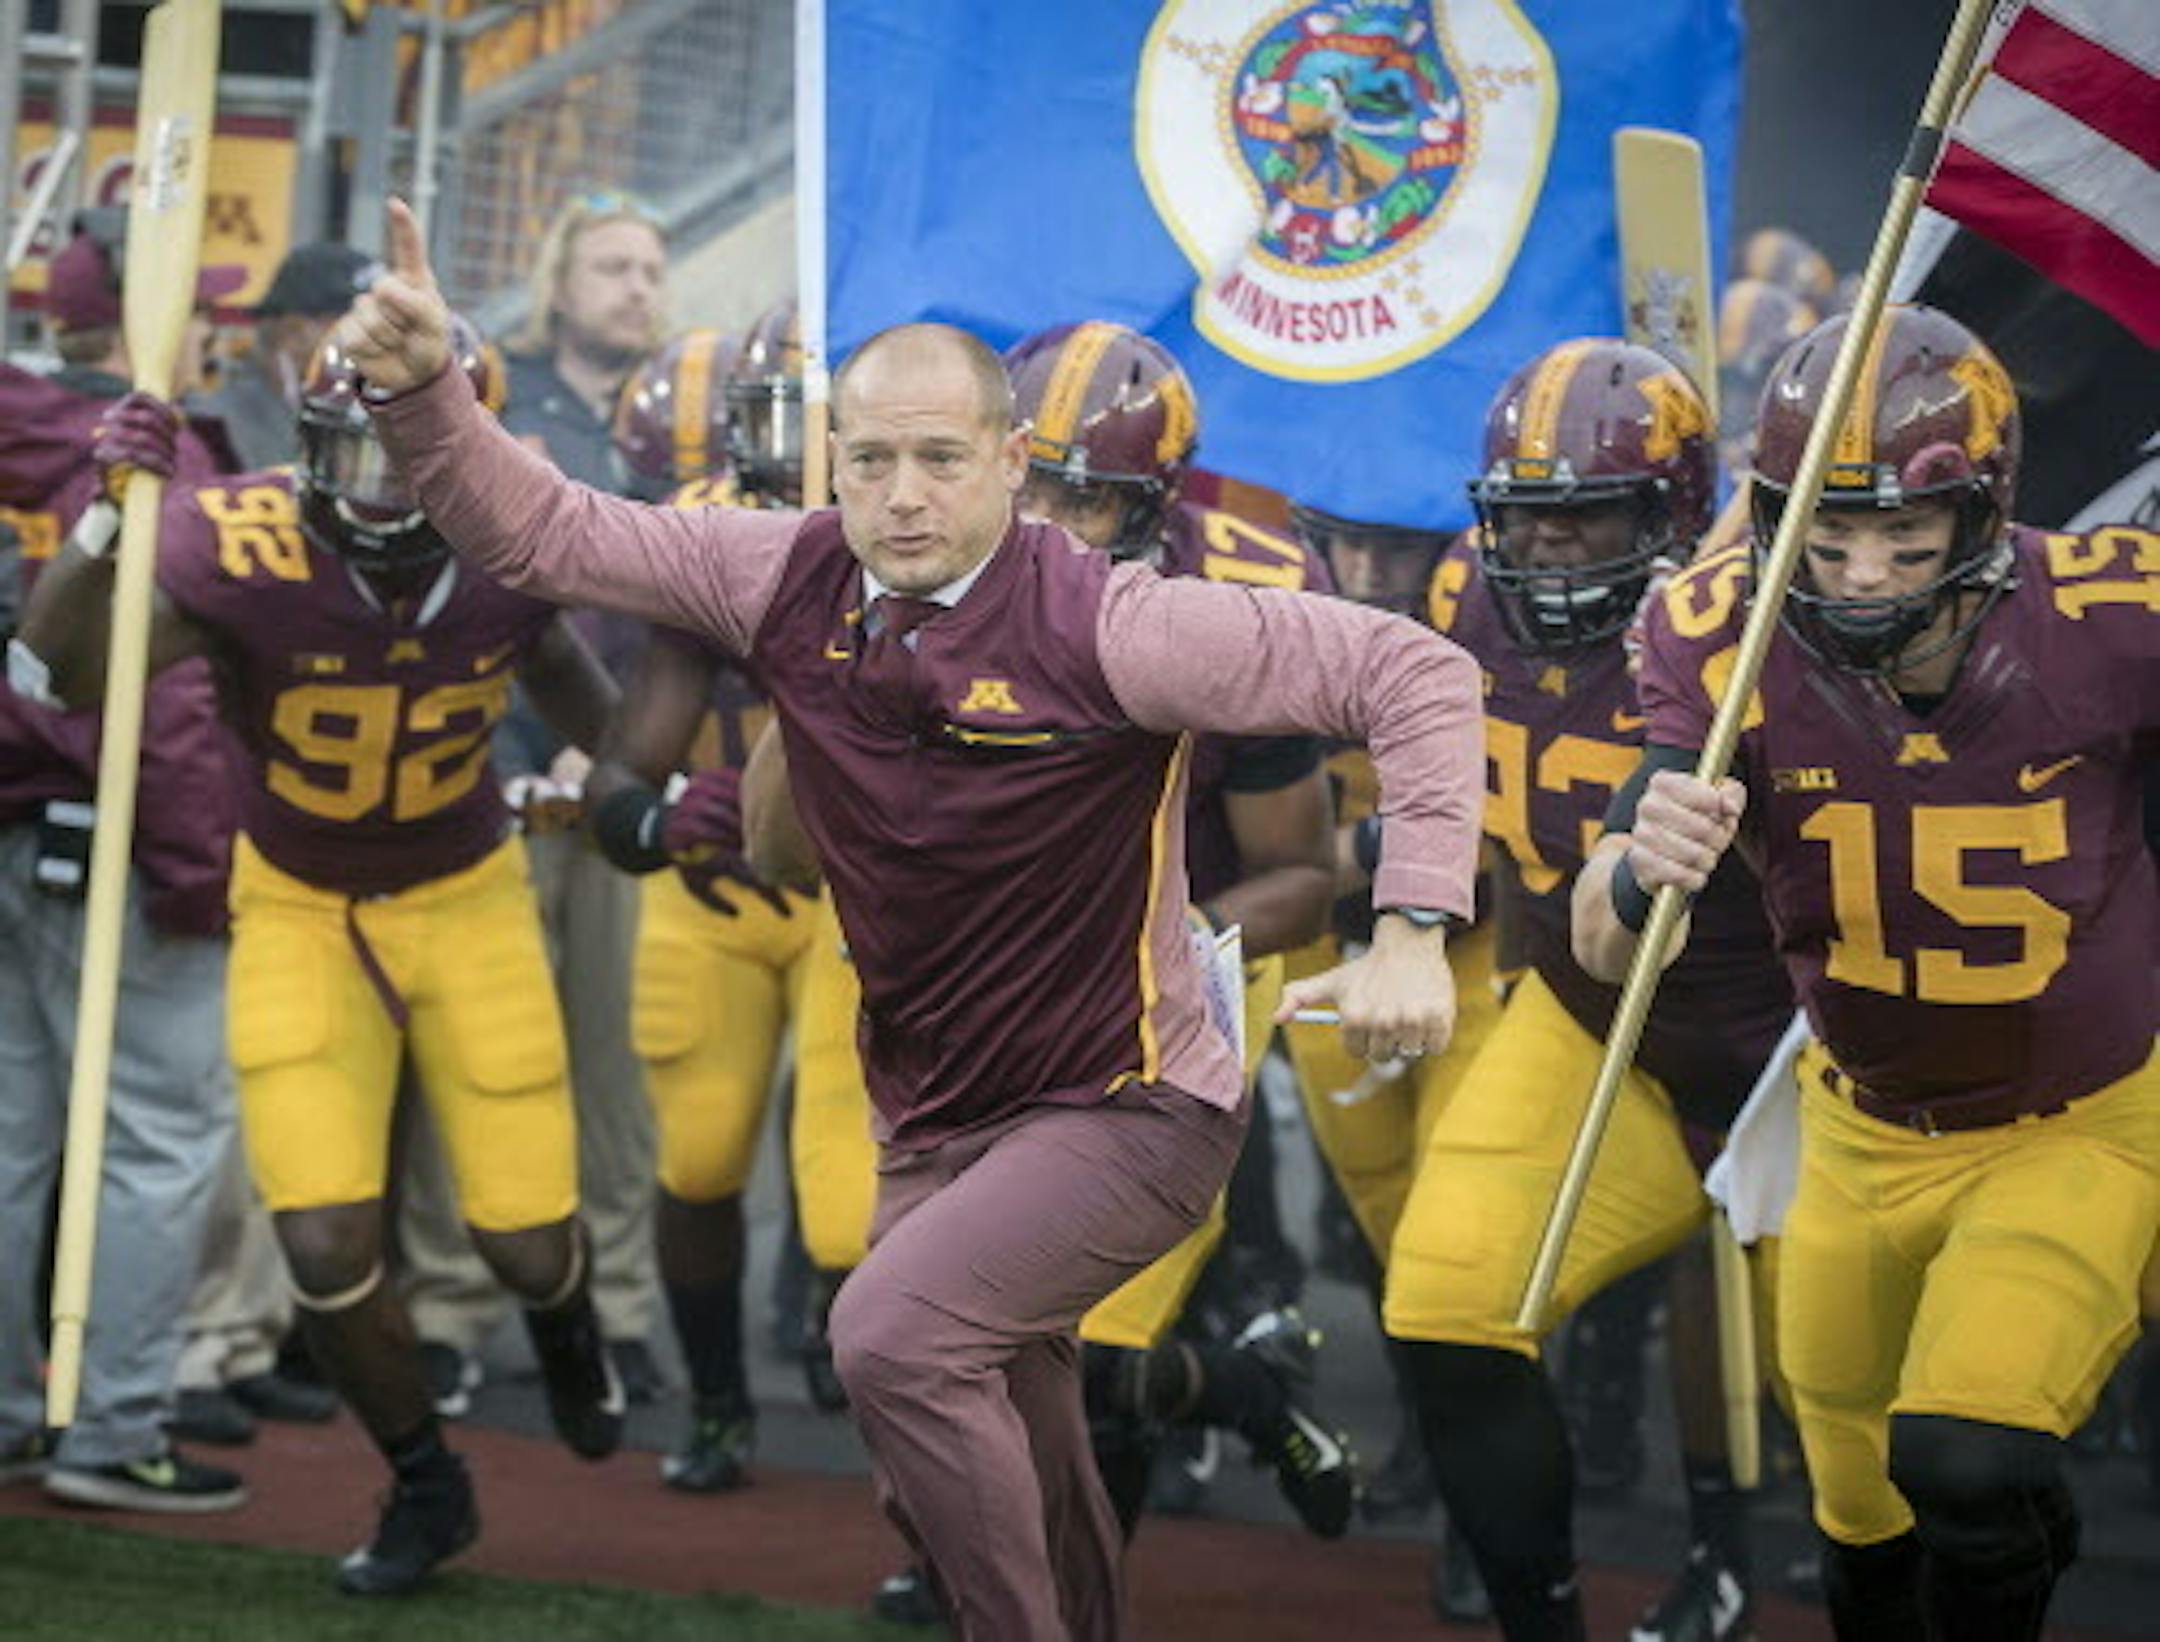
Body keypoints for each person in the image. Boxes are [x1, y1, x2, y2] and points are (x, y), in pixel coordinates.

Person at [336, 201, 1483, 1642]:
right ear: (833, 462)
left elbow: (1418, 673)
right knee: (1000, 1439)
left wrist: (1413, 924)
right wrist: (422, 393)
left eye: (942, 457)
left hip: (1124, 1103)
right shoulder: (785, 568)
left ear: (1012, 464)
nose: (904, 495)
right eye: (871, 458)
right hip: (934, 1112)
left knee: (890, 1338)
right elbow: (546, 531)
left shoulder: (1116, 620)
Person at [1573, 304, 2157, 1641]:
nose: (1862, 577)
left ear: (1984, 516)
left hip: (2072, 1123)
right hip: (1855, 1126)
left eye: (1906, 537)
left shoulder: (2110, 616)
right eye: (1828, 538)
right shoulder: (1719, 636)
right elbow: (1605, 941)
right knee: (1856, 1516)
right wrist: (1641, 867)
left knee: (1966, 1457)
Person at [18, 318, 628, 1596]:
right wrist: (106, 516)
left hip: (466, 896)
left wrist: (628, 785)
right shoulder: (241, 541)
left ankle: (566, 1326)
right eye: (358, 454)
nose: (384, 491)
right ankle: (425, 1481)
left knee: (525, 1244)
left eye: (413, 456)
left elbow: (583, 686)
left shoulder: (520, 538)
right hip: (299, 902)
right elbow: (52, 672)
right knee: (321, 1243)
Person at [854, 321, 1353, 1624]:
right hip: (979, 1000)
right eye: (1038, 488)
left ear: (1155, 509)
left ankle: (1051, 1589)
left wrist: (1134, 939)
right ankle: (1228, 1396)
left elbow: (1302, 873)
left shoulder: (1226, 606)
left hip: (1169, 986)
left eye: (1093, 500)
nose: (1054, 528)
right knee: (946, 1316)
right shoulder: (918, 570)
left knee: (1092, 1326)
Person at [1379, 339, 1793, 1642]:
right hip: (1589, 1010)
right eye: (1527, 518)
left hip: (1808, 1056)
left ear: (1670, 513)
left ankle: (1735, 1545)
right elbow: (1502, 836)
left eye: (1588, 518)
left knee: (1861, 1411)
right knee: (1445, 1297)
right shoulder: (1463, 587)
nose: (1549, 548)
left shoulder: (1764, 620)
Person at [589, 316, 876, 1495]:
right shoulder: (703, 537)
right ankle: (716, 1403)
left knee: (850, 1210)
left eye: (817, 428)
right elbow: (620, 778)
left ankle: (910, 1463)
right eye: (770, 422)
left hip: (862, 902)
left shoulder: (927, 535)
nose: (790, 454)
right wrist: (663, 821)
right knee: (701, 1156)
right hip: (719, 894)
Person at [399, 193, 669, 1407]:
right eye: (611, 266)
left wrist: (621, 757)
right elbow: (462, 589)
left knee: (617, 1070)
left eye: (650, 268)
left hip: (620, 782)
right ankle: (448, 1309)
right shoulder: (499, 401)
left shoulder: (676, 417)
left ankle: (620, 1309)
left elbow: (683, 621)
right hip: (491, 776)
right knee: (477, 1062)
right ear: (558, 283)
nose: (637, 286)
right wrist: (521, 747)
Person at [0, 209, 248, 1513]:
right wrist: (201, 867)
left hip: (14, 822)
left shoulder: (21, 424)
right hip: (125, 834)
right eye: (199, 303)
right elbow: (170, 697)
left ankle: (7, 1411)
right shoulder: (157, 448)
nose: (215, 324)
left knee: (10, 1134)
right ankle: (111, 1429)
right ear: (147, 321)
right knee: (157, 1138)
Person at [193, 240, 380, 470]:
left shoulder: (345, 417)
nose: (378, 345)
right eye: (361, 327)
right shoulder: (214, 430)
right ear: (295, 331)